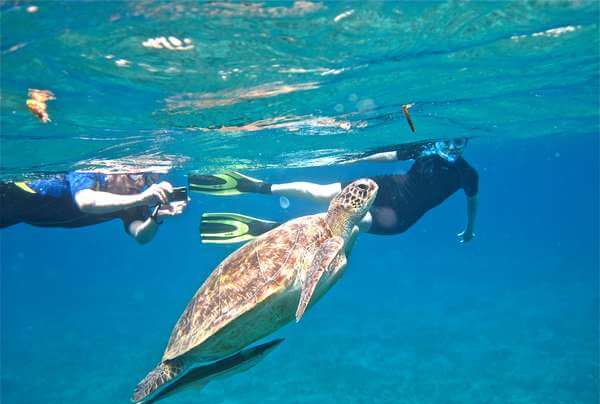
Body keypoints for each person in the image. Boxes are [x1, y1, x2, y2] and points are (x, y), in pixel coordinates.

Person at [189, 137, 478, 244]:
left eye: (459, 143)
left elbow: (472, 202)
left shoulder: (467, 174)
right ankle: (260, 187)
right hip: (385, 186)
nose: (452, 148)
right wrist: (358, 157)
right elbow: (390, 154)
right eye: (448, 142)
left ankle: (277, 230)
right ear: (440, 140)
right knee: (322, 193)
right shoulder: (425, 147)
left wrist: (469, 229)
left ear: (466, 144)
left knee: (345, 224)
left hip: (401, 216)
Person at [0, 171, 187, 244]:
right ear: (118, 171)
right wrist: (141, 199)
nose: (139, 183)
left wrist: (155, 216)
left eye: (147, 181)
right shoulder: (93, 174)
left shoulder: (128, 202)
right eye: (135, 176)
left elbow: (141, 235)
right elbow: (86, 201)